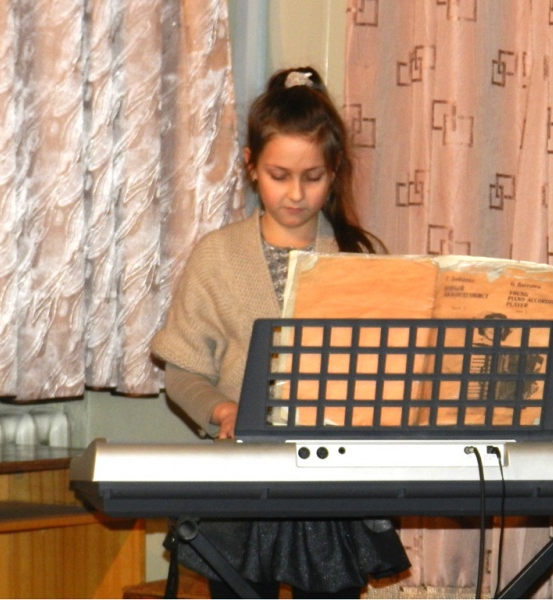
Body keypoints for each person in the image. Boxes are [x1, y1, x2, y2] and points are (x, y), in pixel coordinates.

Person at [151, 67, 410, 599]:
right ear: (250, 166)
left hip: (333, 482)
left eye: (312, 177)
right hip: (243, 481)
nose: (295, 193)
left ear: (334, 171)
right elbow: (182, 372)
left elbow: (388, 373)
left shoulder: (361, 258)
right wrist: (222, 410)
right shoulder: (217, 257)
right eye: (279, 175)